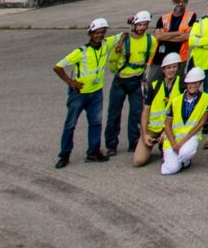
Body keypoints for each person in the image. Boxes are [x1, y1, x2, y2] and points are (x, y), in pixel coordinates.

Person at [55, 17, 110, 168]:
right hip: (79, 94)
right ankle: (64, 155)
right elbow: (58, 67)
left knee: (96, 123)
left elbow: (122, 35)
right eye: (96, 32)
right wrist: (70, 82)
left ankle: (93, 152)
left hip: (96, 93)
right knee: (70, 124)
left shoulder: (106, 45)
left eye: (102, 32)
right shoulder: (80, 52)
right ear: (90, 33)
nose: (99, 35)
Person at [102, 11, 155, 159]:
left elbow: (152, 56)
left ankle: (134, 142)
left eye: (145, 24)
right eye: (139, 24)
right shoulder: (124, 39)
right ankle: (111, 145)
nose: (142, 27)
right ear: (134, 24)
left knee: (136, 113)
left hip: (137, 80)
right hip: (121, 80)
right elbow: (107, 49)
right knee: (114, 113)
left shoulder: (151, 40)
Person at [158, 68, 208, 176]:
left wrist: (183, 141)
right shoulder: (176, 100)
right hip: (173, 138)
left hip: (190, 137)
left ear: (200, 83)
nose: (192, 86)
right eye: (190, 83)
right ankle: (178, 162)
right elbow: (167, 124)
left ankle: (183, 160)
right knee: (169, 170)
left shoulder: (207, 99)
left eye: (195, 83)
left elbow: (201, 123)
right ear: (186, 84)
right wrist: (174, 144)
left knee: (185, 153)